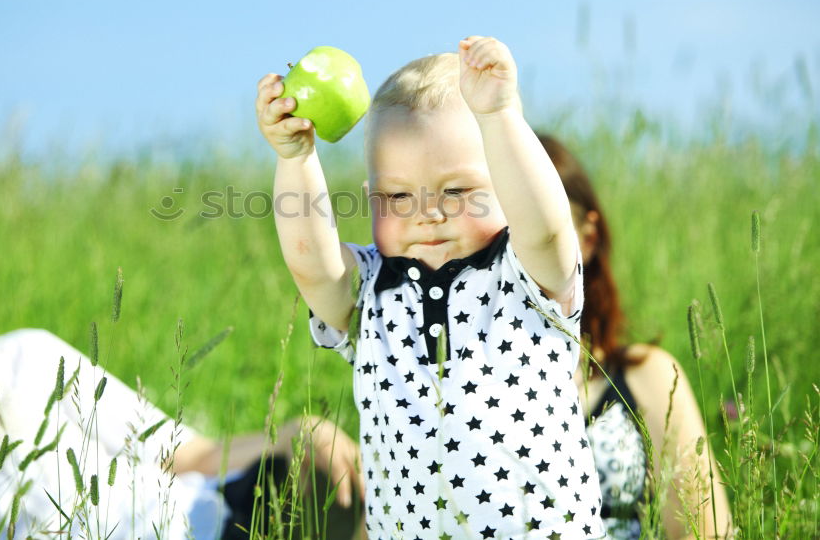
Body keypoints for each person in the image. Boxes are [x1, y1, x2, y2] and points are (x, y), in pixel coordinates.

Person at [0, 169, 362, 539]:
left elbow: (187, 457)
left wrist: (293, 435)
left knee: (335, 485)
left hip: (210, 527)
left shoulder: (22, 361)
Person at [257, 36, 606, 538]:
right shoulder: (374, 289)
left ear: (503, 186)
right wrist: (294, 158)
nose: (429, 215)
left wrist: (499, 116)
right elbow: (312, 265)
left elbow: (548, 226)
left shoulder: (525, 274)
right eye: (397, 196)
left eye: (458, 190)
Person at [539, 134, 733, 539]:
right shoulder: (444, 388)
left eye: (543, 228)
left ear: (587, 239)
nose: (523, 249)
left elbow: (707, 532)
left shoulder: (647, 377)